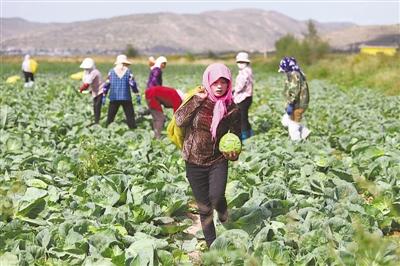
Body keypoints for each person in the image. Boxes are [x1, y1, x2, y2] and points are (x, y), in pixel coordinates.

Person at [174, 63, 241, 248]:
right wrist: (196, 100)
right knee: (204, 207)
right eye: (215, 82)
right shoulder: (198, 100)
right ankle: (213, 246)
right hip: (194, 161)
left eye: (224, 82)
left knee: (217, 197)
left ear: (229, 84)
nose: (219, 86)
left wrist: (234, 155)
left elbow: (236, 135)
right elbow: (179, 120)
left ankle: (224, 214)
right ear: (208, 82)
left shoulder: (232, 109)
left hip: (217, 160)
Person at [102, 54, 141, 129]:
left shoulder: (111, 72)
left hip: (114, 97)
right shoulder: (128, 72)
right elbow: (132, 84)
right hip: (126, 97)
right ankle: (133, 130)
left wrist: (104, 95)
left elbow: (107, 84)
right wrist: (137, 93)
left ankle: (107, 130)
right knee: (130, 117)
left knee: (110, 117)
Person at [278, 56, 311, 140]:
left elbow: (294, 91)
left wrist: (290, 103)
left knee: (293, 125)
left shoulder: (294, 75)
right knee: (286, 121)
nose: (284, 72)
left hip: (298, 104)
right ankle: (305, 133)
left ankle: (296, 143)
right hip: (299, 103)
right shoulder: (297, 73)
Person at [233, 52, 254, 140]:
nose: (240, 64)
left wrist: (233, 90)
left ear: (247, 62)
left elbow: (240, 87)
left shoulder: (243, 73)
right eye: (239, 62)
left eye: (242, 62)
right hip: (248, 97)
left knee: (242, 119)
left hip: (243, 98)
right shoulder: (249, 71)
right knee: (245, 117)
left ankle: (245, 136)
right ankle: (250, 133)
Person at [78, 58, 103, 124]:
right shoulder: (88, 72)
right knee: (95, 106)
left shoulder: (94, 72)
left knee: (97, 106)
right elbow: (86, 81)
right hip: (95, 91)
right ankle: (96, 121)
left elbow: (87, 84)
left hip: (100, 91)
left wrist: (81, 89)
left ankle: (97, 122)